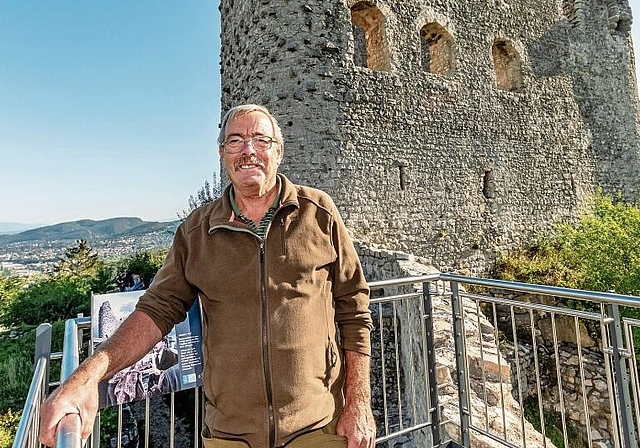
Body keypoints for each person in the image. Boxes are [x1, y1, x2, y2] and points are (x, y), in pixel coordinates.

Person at [38, 104, 376, 448]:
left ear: (279, 151)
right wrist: (86, 377)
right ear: (221, 153)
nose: (248, 151)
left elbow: (354, 308)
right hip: (230, 437)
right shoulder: (196, 232)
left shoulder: (318, 213)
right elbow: (156, 310)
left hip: (317, 429)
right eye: (235, 141)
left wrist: (359, 402)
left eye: (261, 140)